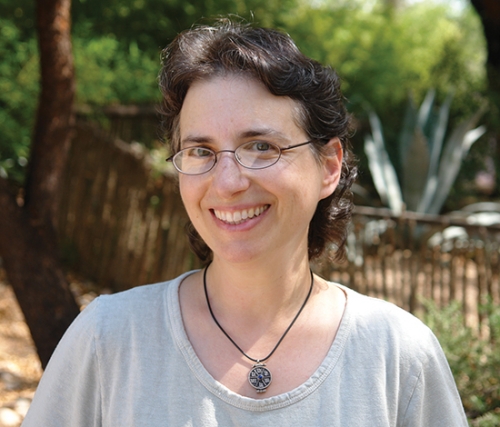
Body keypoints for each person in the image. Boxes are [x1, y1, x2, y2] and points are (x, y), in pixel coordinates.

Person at [23, 19, 468, 426]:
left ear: (329, 165)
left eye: (259, 146)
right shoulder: (107, 341)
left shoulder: (399, 356)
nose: (228, 182)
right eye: (201, 151)